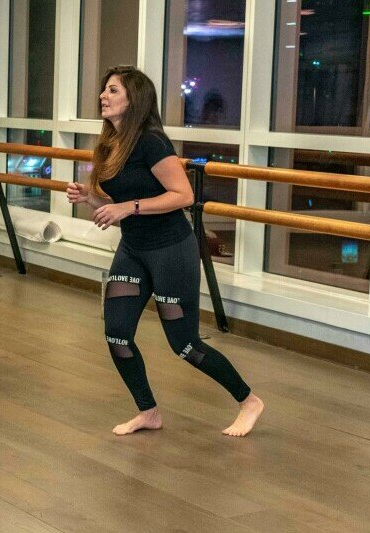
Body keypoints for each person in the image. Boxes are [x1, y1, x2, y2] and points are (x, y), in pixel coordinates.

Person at [66, 65, 264, 436]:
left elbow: (183, 196)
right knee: (117, 333)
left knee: (185, 345)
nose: (102, 97)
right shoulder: (112, 143)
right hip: (134, 249)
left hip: (170, 251)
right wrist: (92, 198)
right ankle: (148, 411)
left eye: (112, 91)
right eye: (104, 90)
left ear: (134, 99)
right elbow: (122, 199)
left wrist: (128, 208)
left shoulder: (151, 142)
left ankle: (248, 400)